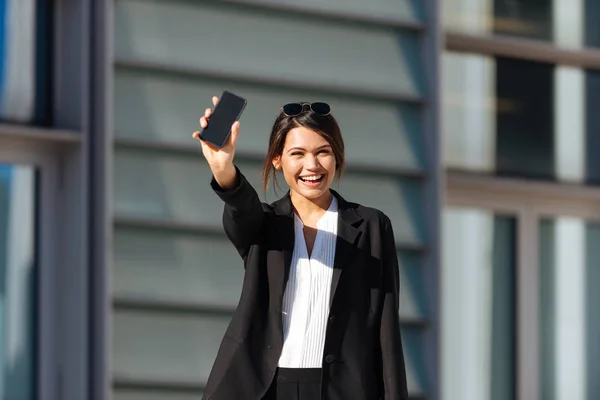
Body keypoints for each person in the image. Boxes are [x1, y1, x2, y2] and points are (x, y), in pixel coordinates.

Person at [193, 97, 408, 400]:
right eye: (298, 154)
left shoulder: (372, 226)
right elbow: (241, 209)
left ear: (337, 158)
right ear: (278, 159)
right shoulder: (264, 224)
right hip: (266, 388)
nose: (312, 165)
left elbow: (386, 330)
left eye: (323, 152)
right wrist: (223, 168)